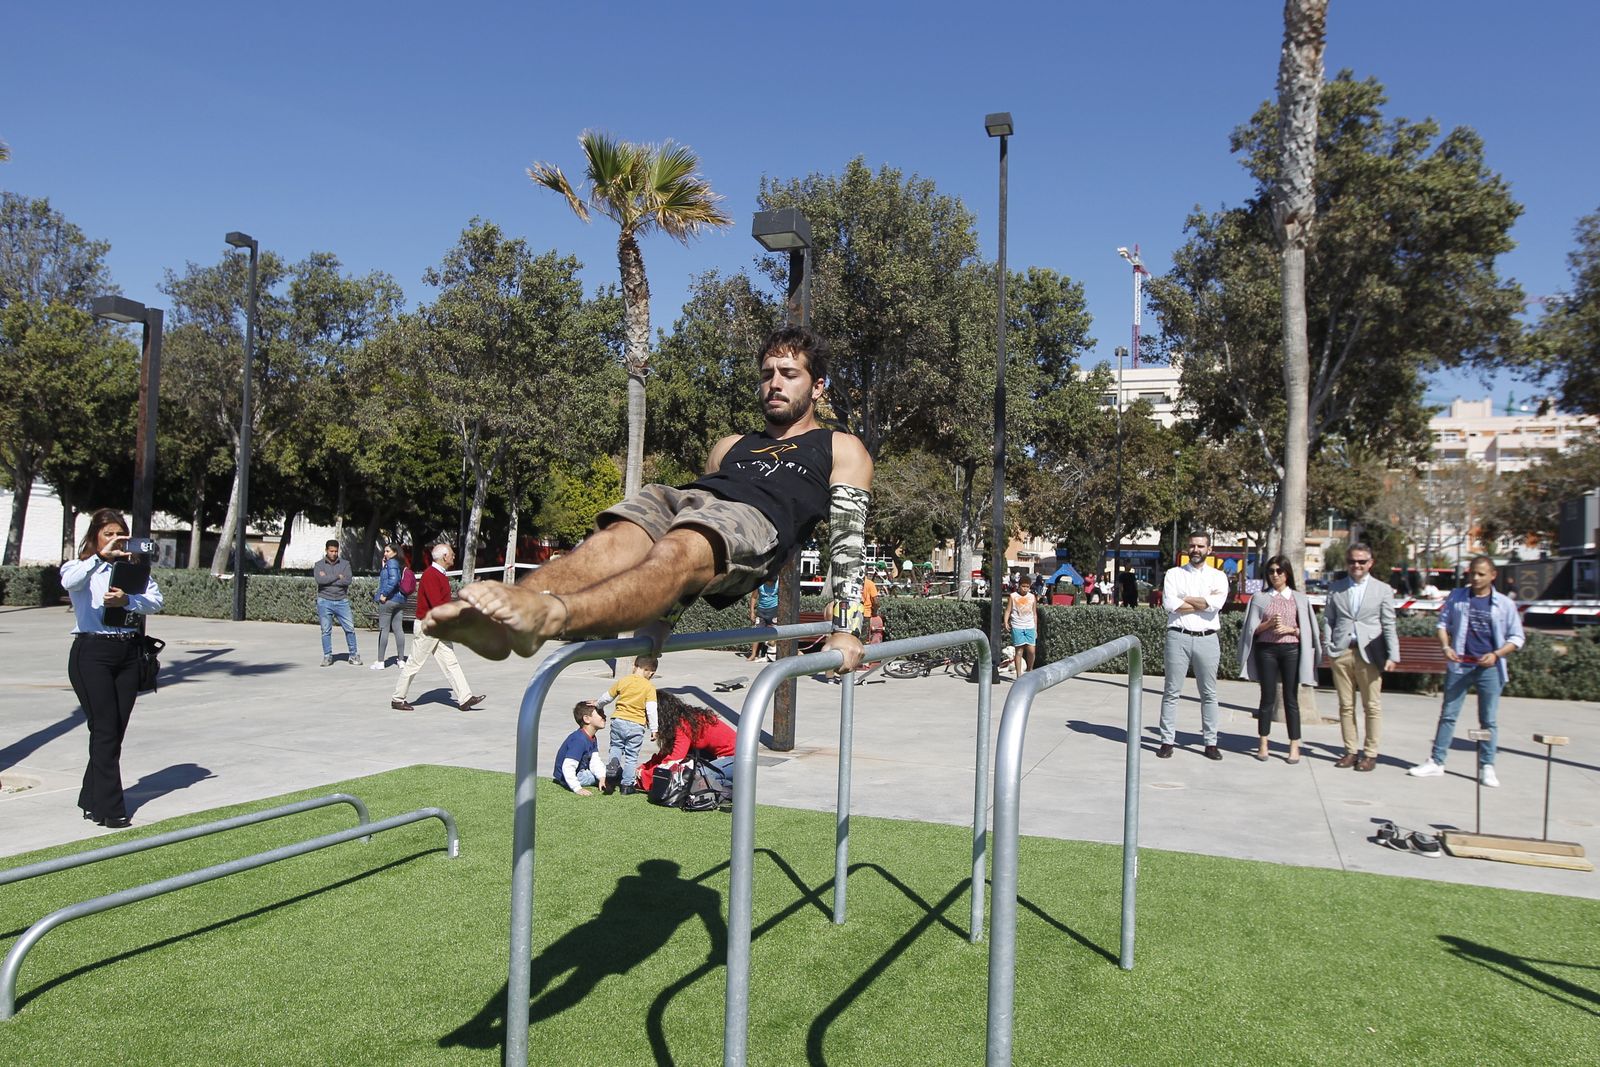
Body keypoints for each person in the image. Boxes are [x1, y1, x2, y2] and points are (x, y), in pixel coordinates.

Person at [424, 326, 873, 677]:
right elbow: (688, 564)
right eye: (766, 375)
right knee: (615, 538)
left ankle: (550, 617)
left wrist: (847, 630)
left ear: (817, 387)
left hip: (755, 523)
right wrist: (662, 620)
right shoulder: (730, 445)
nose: (774, 384)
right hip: (688, 500)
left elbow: (847, 545)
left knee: (679, 548)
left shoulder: (839, 447)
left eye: (789, 375)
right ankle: (507, 611)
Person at [60, 508, 165, 828]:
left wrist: (128, 602)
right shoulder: (81, 567)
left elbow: (155, 600)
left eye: (121, 534)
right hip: (92, 652)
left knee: (113, 732)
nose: (116, 540)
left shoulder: (133, 570)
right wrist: (99, 558)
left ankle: (91, 797)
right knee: (104, 730)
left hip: (128, 653)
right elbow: (69, 581)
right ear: (95, 538)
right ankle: (112, 808)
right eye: (108, 534)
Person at [1409, 555, 1525, 786]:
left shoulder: (1504, 604)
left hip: (1489, 668)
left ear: (1493, 575)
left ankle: (1487, 766)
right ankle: (1436, 761)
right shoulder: (1458, 597)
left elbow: (1517, 637)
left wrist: (1496, 654)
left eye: (1481, 574)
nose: (1475, 578)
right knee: (1448, 714)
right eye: (1472, 573)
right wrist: (1446, 646)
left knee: (1488, 719)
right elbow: (1442, 624)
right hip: (1460, 664)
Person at [1321, 542, 1399, 772]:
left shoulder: (1382, 589)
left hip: (1370, 653)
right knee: (1346, 705)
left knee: (1371, 706)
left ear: (1370, 563)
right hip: (1342, 652)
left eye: (1362, 561)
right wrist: (1328, 645)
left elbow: (1389, 623)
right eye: (1352, 561)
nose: (1357, 565)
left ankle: (1371, 753)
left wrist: (1393, 654)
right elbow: (1329, 619)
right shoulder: (1336, 588)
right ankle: (1350, 751)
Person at [1237, 554, 1318, 764]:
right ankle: (1263, 743)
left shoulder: (1299, 599)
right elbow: (1251, 630)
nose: (1275, 575)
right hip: (1267, 650)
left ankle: (1294, 745)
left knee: (1291, 698)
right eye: (1271, 571)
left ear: (1287, 573)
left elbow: (1306, 631)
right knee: (1267, 698)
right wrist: (1269, 625)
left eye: (1279, 571)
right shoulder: (1260, 598)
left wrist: (1291, 629)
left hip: (1291, 649)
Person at [1156, 532, 1230, 760]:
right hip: (1178, 637)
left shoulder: (1218, 576)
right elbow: (1170, 604)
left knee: (1208, 693)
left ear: (1209, 549)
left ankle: (1210, 742)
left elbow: (1215, 605)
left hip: (1207, 639)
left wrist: (1186, 599)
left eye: (1200, 546)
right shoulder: (1174, 574)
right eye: (1192, 546)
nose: (1195, 549)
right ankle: (1167, 741)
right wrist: (1204, 602)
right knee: (1171, 691)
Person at [391, 543, 485, 712]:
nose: (454, 556)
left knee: (451, 662)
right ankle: (397, 698)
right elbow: (437, 605)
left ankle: (465, 698)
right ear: (444, 557)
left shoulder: (438, 574)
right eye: (452, 554)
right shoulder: (431, 575)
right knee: (414, 663)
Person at [638, 691, 738, 793]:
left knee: (691, 777)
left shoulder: (684, 724)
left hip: (736, 760)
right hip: (720, 758)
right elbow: (666, 754)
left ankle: (734, 787)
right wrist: (643, 768)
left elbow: (674, 760)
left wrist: (644, 775)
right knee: (690, 771)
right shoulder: (682, 718)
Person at [595, 655, 658, 795]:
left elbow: (607, 697)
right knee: (631, 755)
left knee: (616, 747)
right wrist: (654, 729)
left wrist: (597, 705)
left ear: (634, 666)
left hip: (619, 720)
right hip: (636, 724)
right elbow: (651, 709)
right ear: (651, 672)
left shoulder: (623, 681)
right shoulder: (649, 687)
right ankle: (627, 786)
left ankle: (613, 767)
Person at [314, 539, 362, 666]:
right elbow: (320, 580)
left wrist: (328, 578)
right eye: (331, 551)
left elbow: (347, 581)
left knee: (350, 628)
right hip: (324, 601)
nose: (334, 553)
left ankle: (353, 655)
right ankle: (327, 656)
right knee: (325, 630)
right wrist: (337, 576)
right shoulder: (319, 565)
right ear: (326, 551)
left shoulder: (345, 564)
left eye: (336, 551)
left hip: (342, 601)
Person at [553, 700, 615, 796]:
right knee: (613, 773)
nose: (604, 716)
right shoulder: (579, 740)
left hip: (580, 772)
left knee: (610, 772)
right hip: (572, 776)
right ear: (586, 719)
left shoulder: (592, 737)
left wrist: (602, 777)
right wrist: (577, 788)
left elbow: (595, 761)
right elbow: (568, 766)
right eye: (600, 713)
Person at [371, 542, 408, 669]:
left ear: (395, 552)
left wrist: (384, 594)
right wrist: (383, 567)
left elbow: (394, 580)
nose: (385, 553)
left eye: (388, 551)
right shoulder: (398, 564)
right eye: (385, 551)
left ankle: (380, 661)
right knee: (398, 629)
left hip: (388, 600)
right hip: (399, 600)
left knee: (384, 629)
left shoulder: (392, 563)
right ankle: (401, 659)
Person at [1006, 579, 1038, 676]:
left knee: (1031, 651)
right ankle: (1019, 675)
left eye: (1027, 587)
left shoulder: (1032, 597)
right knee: (1019, 651)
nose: (1025, 589)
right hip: (1017, 626)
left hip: (1030, 626)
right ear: (1019, 586)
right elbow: (1008, 610)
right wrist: (1006, 621)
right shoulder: (1013, 596)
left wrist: (1035, 628)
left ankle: (1029, 669)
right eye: (1023, 586)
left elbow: (1034, 613)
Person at [745, 577, 779, 661]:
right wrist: (752, 611)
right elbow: (753, 597)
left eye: (773, 583)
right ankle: (753, 654)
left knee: (773, 633)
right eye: (769, 582)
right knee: (757, 632)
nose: (771, 584)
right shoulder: (760, 584)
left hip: (774, 610)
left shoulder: (778, 583)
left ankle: (771, 654)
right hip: (761, 611)